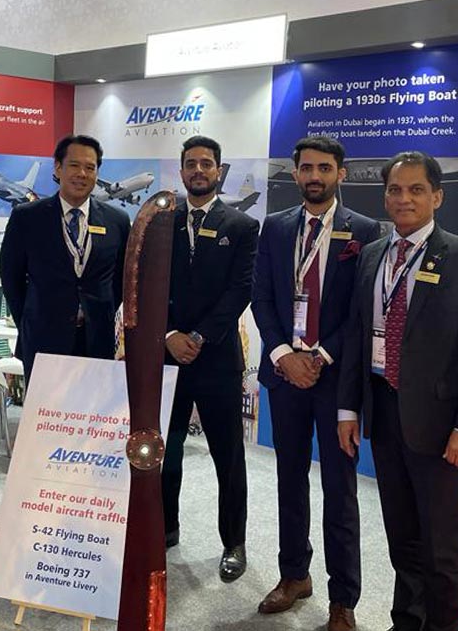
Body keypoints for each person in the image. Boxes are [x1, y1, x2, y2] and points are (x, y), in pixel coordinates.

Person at [337, 151, 458, 631]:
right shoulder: (372, 255)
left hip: (440, 425)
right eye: (395, 189)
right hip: (385, 413)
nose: (404, 198)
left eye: (415, 190)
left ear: (437, 196)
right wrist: (349, 410)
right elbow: (355, 336)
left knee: (443, 547)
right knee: (403, 537)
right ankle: (407, 621)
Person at [251, 136, 380, 631]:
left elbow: (360, 312)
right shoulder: (277, 228)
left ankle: (343, 599)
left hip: (334, 380)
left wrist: (319, 357)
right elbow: (262, 297)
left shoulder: (364, 232)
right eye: (306, 168)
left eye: (324, 168)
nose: (314, 176)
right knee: (288, 480)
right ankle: (294, 575)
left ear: (340, 174)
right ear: (295, 172)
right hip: (285, 378)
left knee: (340, 490)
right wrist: (285, 356)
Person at [161, 136, 259, 582]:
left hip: (216, 357)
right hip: (168, 357)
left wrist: (197, 336)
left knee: (228, 456)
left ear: (219, 170)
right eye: (190, 164)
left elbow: (241, 289)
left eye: (206, 163)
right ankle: (166, 528)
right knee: (166, 451)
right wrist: (168, 336)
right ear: (181, 172)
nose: (198, 170)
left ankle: (233, 542)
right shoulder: (162, 223)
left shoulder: (240, 225)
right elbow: (147, 285)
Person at [0, 135, 130, 380]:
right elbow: (11, 276)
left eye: (90, 167)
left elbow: (120, 278)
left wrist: (100, 310)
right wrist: (30, 319)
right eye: (74, 165)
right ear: (58, 168)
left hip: (96, 341)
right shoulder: (27, 217)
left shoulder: (117, 221)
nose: (82, 173)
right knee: (46, 415)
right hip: (43, 338)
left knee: (93, 413)